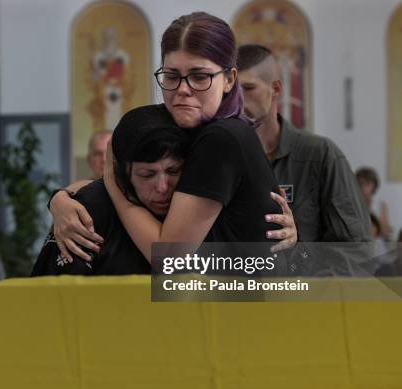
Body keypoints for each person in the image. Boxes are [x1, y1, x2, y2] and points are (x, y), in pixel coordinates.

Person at [49, 12, 296, 264]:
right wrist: (60, 199)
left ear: (229, 80)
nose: (183, 90)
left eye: (200, 76)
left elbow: (168, 257)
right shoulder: (191, 129)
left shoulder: (221, 139)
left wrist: (115, 183)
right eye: (172, 76)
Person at [236, 44, 371, 242]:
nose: (237, 100)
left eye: (248, 88)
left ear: (275, 89)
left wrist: (299, 256)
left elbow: (354, 248)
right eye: (230, 91)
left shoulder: (320, 155)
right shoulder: (219, 156)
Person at [33, 106, 188, 275]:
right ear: (122, 171)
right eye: (147, 175)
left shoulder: (202, 205)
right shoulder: (89, 210)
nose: (162, 188)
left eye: (173, 171)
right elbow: (49, 295)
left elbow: (210, 287)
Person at [356, 167, 391, 241]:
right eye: (360, 184)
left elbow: (385, 232)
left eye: (367, 184)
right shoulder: (352, 205)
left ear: (374, 186)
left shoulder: (381, 205)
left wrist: (369, 208)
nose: (363, 188)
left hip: (378, 247)